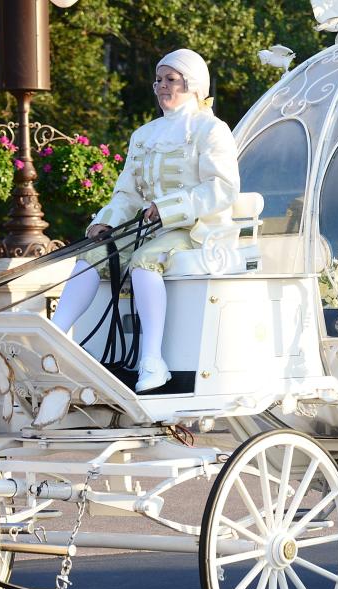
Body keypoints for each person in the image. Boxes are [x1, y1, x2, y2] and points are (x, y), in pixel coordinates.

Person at [51, 49, 240, 392]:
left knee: (143, 261)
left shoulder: (211, 129)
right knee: (92, 256)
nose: (162, 87)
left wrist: (168, 207)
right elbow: (127, 193)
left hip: (197, 230)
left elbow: (222, 188)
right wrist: (103, 222)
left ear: (193, 84)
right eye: (158, 80)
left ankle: (152, 361)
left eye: (171, 80)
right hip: (150, 230)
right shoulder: (143, 135)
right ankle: (53, 339)